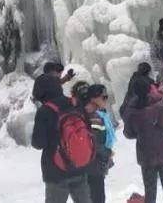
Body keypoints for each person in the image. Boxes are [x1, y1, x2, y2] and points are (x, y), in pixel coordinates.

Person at [31, 72, 93, 203]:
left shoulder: (45, 111)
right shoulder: (76, 103)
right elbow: (88, 128)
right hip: (79, 164)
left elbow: (38, 143)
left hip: (56, 170)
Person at [121, 73, 163, 203]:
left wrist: (141, 132)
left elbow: (128, 134)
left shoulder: (131, 111)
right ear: (149, 88)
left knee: (150, 190)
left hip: (146, 153)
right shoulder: (160, 104)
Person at [80, 84, 115, 203]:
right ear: (93, 98)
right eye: (103, 97)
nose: (106, 100)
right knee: (97, 198)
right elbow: (93, 143)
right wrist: (107, 152)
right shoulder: (93, 117)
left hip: (89, 165)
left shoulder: (92, 114)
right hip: (92, 165)